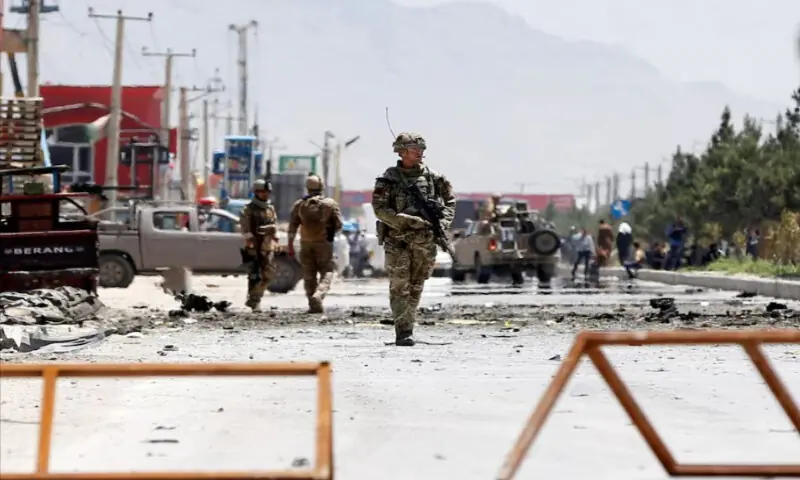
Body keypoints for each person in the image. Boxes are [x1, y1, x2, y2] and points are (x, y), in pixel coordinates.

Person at [372, 132, 456, 346]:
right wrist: (406, 220)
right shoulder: (388, 179)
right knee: (399, 285)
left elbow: (450, 201)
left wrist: (443, 222)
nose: (420, 152)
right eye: (414, 149)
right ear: (401, 151)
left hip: (424, 240)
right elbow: (379, 209)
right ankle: (403, 332)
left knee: (417, 284)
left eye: (421, 149)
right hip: (397, 239)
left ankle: (408, 323)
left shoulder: (434, 177)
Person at [288, 175, 344, 313]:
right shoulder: (330, 204)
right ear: (322, 186)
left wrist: (290, 245)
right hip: (323, 244)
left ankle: (313, 305)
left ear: (307, 187)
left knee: (309, 274)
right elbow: (339, 224)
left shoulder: (299, 205)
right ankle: (318, 295)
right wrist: (329, 231)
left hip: (306, 244)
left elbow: (292, 228)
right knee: (328, 271)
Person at [239, 179, 278, 311]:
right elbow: (245, 227)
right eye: (263, 192)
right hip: (254, 246)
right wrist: (250, 240)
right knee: (255, 276)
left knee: (268, 275)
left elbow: (274, 224)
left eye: (267, 192)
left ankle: (253, 298)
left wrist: (273, 232)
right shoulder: (248, 209)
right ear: (256, 192)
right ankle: (255, 303)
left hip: (267, 246)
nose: (266, 194)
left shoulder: (270, 208)